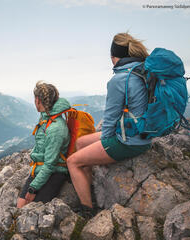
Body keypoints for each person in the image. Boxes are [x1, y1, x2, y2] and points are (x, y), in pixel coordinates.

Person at [66, 32, 152, 217]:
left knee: (72, 161)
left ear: (114, 57)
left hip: (129, 141)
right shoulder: (142, 70)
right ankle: (87, 188)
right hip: (144, 134)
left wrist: (104, 145)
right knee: (81, 143)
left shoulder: (119, 79)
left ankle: (87, 209)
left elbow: (111, 117)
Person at [17, 81, 71, 208]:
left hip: (55, 172)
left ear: (37, 100)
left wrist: (33, 189)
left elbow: (50, 164)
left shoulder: (55, 128)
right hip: (39, 169)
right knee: (20, 205)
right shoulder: (45, 116)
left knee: (30, 209)